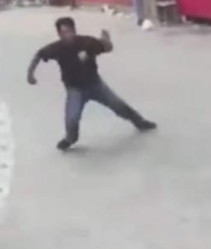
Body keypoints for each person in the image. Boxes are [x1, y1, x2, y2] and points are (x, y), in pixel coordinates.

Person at [26, 17, 157, 151]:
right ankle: (71, 138)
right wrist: (30, 75)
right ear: (59, 34)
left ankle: (140, 122)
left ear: (75, 30)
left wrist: (106, 41)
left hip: (95, 85)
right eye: (64, 33)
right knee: (72, 118)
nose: (68, 35)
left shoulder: (87, 42)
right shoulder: (56, 48)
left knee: (119, 105)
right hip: (75, 89)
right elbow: (39, 55)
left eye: (70, 31)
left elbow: (107, 47)